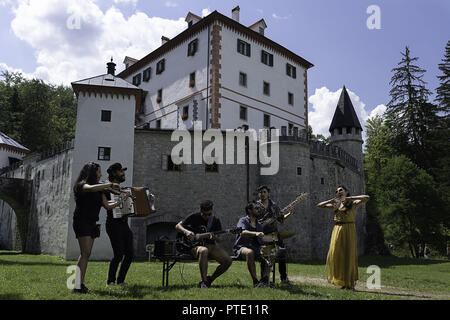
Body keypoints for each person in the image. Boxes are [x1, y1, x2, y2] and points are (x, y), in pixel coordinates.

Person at [72, 162, 122, 294]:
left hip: (92, 222)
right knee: (85, 253)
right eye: (99, 172)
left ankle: (79, 284)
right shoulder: (82, 185)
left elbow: (107, 205)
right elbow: (90, 188)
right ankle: (77, 286)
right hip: (81, 221)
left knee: (85, 254)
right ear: (92, 173)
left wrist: (121, 200)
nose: (100, 174)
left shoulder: (100, 190)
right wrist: (110, 184)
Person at [316, 185, 369, 290]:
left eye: (341, 190)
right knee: (336, 254)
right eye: (336, 191)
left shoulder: (352, 203)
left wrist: (349, 198)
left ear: (346, 192)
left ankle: (349, 283)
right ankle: (341, 281)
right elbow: (319, 205)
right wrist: (330, 201)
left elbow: (366, 197)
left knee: (348, 255)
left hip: (349, 229)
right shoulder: (336, 205)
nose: (338, 192)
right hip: (337, 229)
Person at [175, 200, 232, 288]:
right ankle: (204, 282)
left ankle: (210, 280)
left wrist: (215, 238)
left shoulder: (215, 220)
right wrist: (186, 232)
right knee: (204, 250)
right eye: (204, 214)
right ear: (200, 211)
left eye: (209, 214)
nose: (207, 217)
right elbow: (177, 226)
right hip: (195, 246)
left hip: (211, 246)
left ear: (212, 211)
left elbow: (220, 240)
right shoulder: (194, 217)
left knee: (228, 260)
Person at [104, 163, 135, 287]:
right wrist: (122, 196)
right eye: (121, 171)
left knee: (130, 254)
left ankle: (120, 280)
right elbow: (110, 205)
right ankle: (110, 281)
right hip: (113, 224)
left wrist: (149, 201)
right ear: (114, 173)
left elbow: (130, 207)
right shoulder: (106, 188)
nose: (123, 174)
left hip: (124, 223)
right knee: (118, 254)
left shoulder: (122, 189)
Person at [256, 185, 294, 285]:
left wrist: (290, 213)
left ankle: (283, 278)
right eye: (260, 192)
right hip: (262, 235)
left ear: (268, 193)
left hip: (274, 235)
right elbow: (252, 220)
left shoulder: (274, 206)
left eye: (264, 192)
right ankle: (264, 279)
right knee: (264, 256)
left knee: (282, 254)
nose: (262, 194)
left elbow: (281, 218)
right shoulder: (255, 206)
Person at [233, 201, 270, 287]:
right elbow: (242, 232)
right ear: (249, 210)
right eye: (256, 208)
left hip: (256, 248)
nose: (258, 210)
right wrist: (255, 233)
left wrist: (269, 240)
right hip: (242, 247)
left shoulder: (259, 224)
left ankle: (265, 279)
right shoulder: (243, 220)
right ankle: (255, 281)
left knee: (269, 251)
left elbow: (261, 240)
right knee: (249, 252)